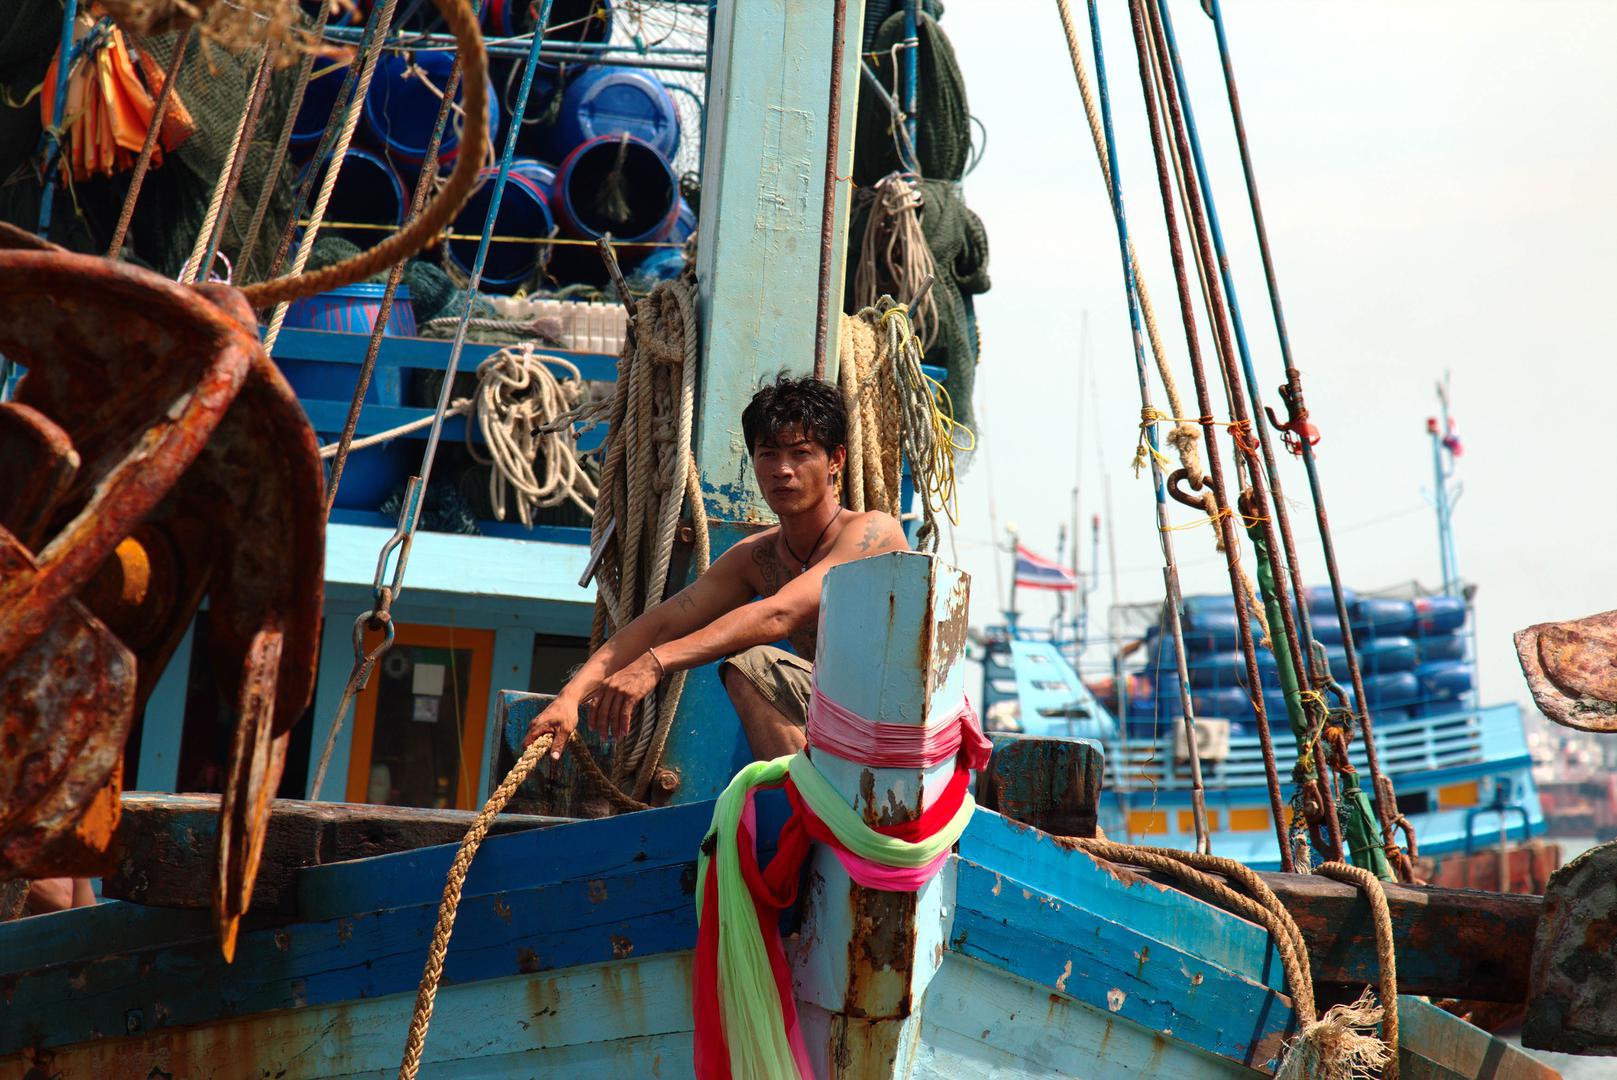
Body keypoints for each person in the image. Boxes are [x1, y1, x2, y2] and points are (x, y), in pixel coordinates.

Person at [524, 373, 908, 760]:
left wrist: (655, 663)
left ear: (836, 460)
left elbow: (779, 614)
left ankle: (805, 799)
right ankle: (799, 800)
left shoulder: (873, 533)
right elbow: (661, 623)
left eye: (801, 453)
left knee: (752, 666)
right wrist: (570, 698)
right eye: (768, 453)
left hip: (899, 723)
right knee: (750, 668)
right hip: (840, 724)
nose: (782, 469)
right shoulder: (756, 557)